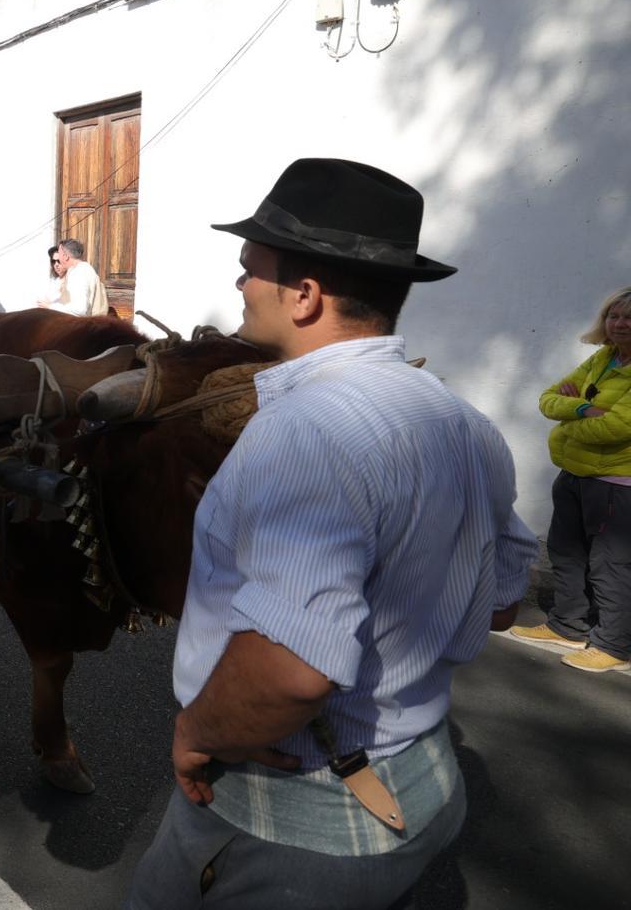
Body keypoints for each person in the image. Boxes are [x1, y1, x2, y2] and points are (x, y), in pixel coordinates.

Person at [125, 158, 534, 910]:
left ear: (306, 295)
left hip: (296, 823)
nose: (240, 286)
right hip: (425, 780)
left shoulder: (303, 433)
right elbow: (503, 602)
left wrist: (196, 731)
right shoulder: (466, 423)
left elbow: (291, 674)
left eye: (251, 269)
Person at [515, 287, 631, 673]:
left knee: (610, 564)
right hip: (575, 473)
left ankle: (613, 644)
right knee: (566, 553)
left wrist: (568, 419)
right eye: (614, 316)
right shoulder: (605, 358)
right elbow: (548, 397)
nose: (620, 323)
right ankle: (567, 625)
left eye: (629, 317)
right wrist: (582, 407)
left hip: (615, 482)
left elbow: (618, 426)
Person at [38, 238, 108, 316]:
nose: (58, 261)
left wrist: (50, 306)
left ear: (65, 257)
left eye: (60, 255)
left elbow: (80, 310)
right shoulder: (81, 269)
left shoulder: (79, 273)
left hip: (82, 326)